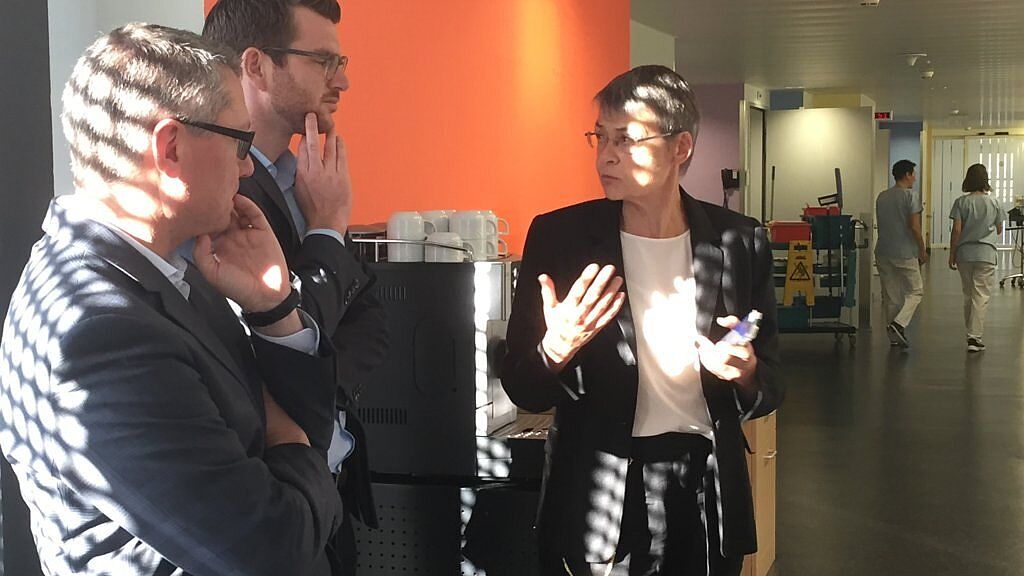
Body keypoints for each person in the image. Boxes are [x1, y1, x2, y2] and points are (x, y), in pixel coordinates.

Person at [0, 24, 344, 575]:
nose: (247, 167)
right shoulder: (94, 326)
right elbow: (270, 548)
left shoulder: (175, 271)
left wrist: (274, 309)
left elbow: (304, 431)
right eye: (240, 141)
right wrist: (295, 444)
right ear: (170, 148)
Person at [501, 65, 782, 576]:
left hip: (707, 492)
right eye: (600, 137)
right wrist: (556, 349)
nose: (605, 155)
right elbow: (523, 388)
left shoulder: (739, 241)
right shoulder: (560, 238)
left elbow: (772, 383)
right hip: (602, 490)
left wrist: (744, 371)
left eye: (626, 139)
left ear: (680, 148)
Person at [202, 1, 389, 571]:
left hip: (331, 489)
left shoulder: (308, 177)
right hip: (270, 502)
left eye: (341, 62)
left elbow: (370, 318)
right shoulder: (218, 195)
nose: (343, 81)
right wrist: (327, 228)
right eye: (323, 61)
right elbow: (263, 339)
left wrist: (313, 377)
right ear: (256, 66)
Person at [948, 163, 1006, 352]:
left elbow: (956, 230)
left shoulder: (961, 202)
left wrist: (952, 253)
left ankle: (971, 332)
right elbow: (999, 229)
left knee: (968, 294)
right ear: (985, 180)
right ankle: (974, 337)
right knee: (981, 295)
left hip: (965, 254)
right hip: (986, 254)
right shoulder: (995, 203)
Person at [874, 159, 927, 348]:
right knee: (916, 291)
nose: (915, 178)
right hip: (905, 251)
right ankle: (899, 324)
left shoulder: (882, 197)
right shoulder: (911, 196)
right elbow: (914, 226)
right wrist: (922, 249)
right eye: (913, 174)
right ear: (907, 174)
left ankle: (894, 336)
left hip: (883, 251)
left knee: (891, 296)